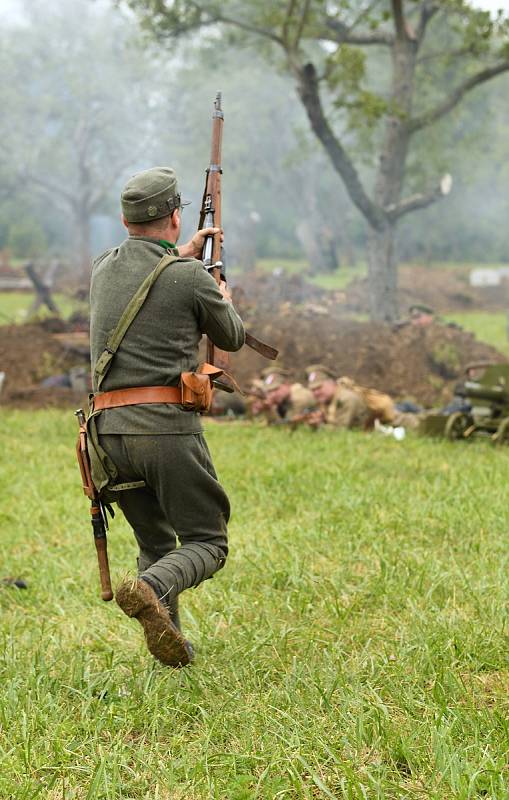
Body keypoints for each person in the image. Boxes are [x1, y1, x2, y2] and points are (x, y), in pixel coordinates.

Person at [89, 166, 245, 668]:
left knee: (155, 540)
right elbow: (233, 336)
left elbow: (147, 274)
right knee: (207, 541)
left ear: (124, 218)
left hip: (106, 434)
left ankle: (171, 647)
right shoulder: (190, 278)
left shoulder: (102, 267)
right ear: (175, 217)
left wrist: (182, 258)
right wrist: (220, 295)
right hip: (164, 430)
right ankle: (152, 588)